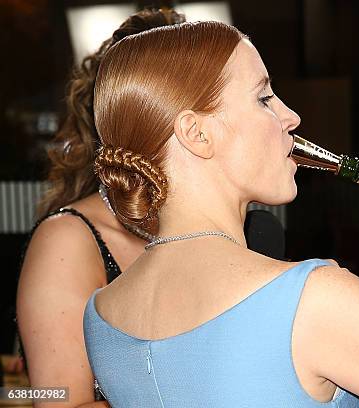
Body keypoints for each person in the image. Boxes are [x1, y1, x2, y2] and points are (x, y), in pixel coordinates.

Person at [83, 21, 359, 407]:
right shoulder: (312, 303)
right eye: (264, 98)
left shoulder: (101, 314)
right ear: (197, 134)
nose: (291, 115)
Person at [16, 9, 185, 407]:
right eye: (260, 98)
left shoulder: (246, 229)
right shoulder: (68, 242)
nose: (287, 118)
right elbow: (55, 401)